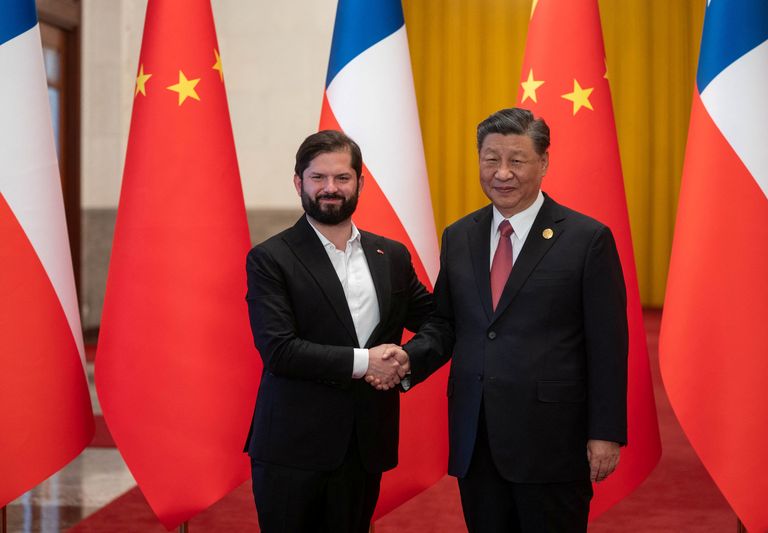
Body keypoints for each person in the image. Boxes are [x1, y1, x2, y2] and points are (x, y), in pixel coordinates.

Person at [374, 108, 628, 532]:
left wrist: (605, 432)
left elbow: (608, 344)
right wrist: (406, 360)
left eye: (517, 160)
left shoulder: (587, 239)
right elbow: (447, 324)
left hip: (552, 441)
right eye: (491, 159)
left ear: (544, 162)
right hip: (477, 437)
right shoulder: (460, 236)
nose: (502, 173)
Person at [244, 130, 432, 532]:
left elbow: (435, 319)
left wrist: (407, 359)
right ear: (299, 182)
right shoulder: (270, 259)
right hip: (292, 449)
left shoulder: (392, 256)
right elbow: (280, 350)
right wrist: (370, 363)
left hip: (364, 446)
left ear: (360, 183)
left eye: (342, 178)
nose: (330, 188)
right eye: (318, 177)